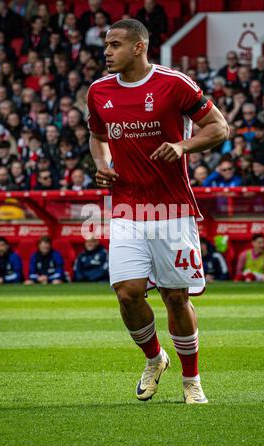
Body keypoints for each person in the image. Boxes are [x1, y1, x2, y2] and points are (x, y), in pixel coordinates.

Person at [87, 19, 229, 404]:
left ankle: (191, 379)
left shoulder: (174, 84)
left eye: (115, 44)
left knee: (175, 297)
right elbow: (97, 136)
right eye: (106, 45)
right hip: (127, 208)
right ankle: (155, 358)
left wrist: (183, 146)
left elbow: (219, 127)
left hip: (172, 209)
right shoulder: (99, 92)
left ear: (138, 47)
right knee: (127, 294)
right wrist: (101, 163)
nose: (107, 51)